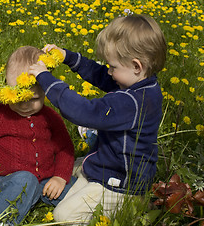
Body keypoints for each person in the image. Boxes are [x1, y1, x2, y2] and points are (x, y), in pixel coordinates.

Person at [29, 14, 167, 224]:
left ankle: (135, 205)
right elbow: (100, 74)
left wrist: (46, 78)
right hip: (108, 163)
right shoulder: (138, 84)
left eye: (112, 66)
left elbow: (84, 111)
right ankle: (92, 181)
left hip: (121, 183)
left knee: (63, 216)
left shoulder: (133, 103)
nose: (109, 72)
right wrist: (67, 56)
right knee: (62, 168)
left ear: (136, 66)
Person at [0, 46, 75, 225]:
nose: (24, 105)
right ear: (6, 86)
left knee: (75, 189)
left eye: (33, 98)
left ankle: (89, 213)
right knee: (24, 180)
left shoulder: (50, 117)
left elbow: (65, 148)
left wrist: (59, 177)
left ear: (46, 91)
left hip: (44, 181)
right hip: (2, 181)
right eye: (17, 98)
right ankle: (0, 221)